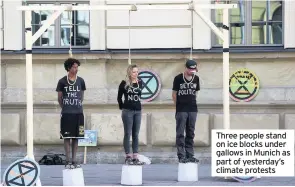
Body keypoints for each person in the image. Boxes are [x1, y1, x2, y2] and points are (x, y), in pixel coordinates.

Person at [56, 58, 86, 169]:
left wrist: (76, 105)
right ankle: (67, 160)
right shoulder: (62, 81)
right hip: (67, 114)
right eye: (74, 67)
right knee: (67, 137)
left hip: (79, 113)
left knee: (76, 137)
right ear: (68, 68)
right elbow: (59, 98)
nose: (76, 69)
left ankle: (74, 160)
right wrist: (66, 107)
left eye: (77, 67)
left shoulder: (81, 81)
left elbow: (81, 97)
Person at [172, 59, 200, 163]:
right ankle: (181, 155)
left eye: (194, 69)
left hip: (193, 109)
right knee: (180, 133)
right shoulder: (178, 78)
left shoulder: (196, 78)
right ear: (186, 68)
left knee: (191, 132)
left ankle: (190, 155)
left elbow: (196, 92)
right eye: (190, 69)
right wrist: (178, 106)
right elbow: (174, 94)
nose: (192, 71)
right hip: (181, 109)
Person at [117, 64, 144, 165]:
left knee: (135, 134)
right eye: (134, 72)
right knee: (128, 133)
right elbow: (119, 97)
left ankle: (135, 156)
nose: (136, 74)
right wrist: (122, 107)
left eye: (137, 72)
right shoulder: (124, 83)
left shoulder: (140, 82)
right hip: (127, 111)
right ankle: (128, 155)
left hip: (138, 110)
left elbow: (140, 96)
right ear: (129, 72)